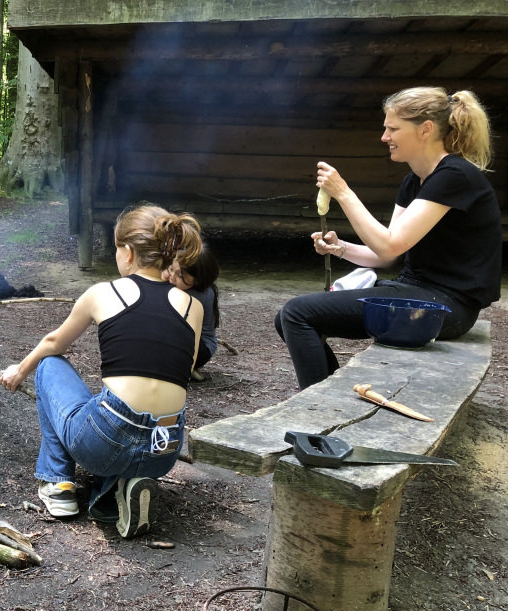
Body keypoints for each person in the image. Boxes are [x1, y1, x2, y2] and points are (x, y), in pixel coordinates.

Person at [275, 87, 502, 390]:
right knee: (287, 317)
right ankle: (327, 394)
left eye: (393, 128)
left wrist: (343, 193)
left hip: (447, 308)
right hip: (415, 293)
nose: (385, 137)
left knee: (297, 313)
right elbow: (387, 255)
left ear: (425, 129)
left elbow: (391, 243)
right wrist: (341, 248)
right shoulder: (415, 179)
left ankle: (316, 405)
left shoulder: (454, 176)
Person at [0, 205, 204, 539]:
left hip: (106, 442)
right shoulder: (192, 306)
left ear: (128, 252)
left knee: (49, 365)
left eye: (116, 249)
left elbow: (53, 343)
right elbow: (187, 366)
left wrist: (19, 370)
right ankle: (117, 491)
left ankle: (58, 486)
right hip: (163, 449)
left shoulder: (104, 292)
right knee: (117, 413)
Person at [165, 246, 220, 380]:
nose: (172, 278)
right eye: (170, 269)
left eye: (180, 275)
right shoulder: (178, 287)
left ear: (197, 279)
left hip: (201, 348)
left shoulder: (199, 295)